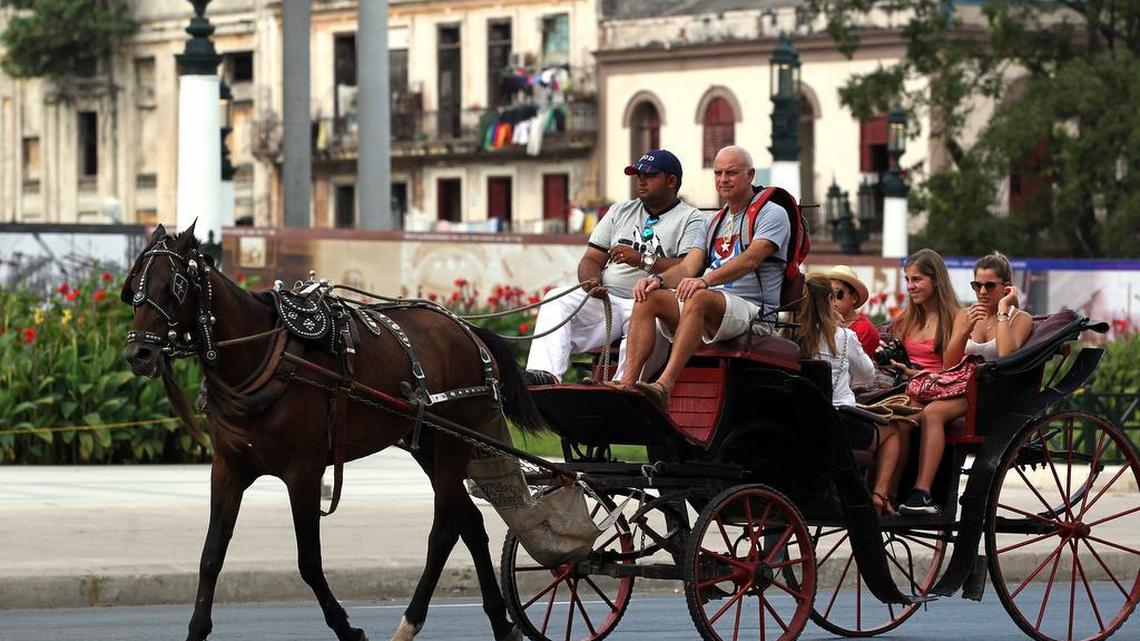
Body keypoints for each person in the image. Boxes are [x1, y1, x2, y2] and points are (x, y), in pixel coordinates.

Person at [620, 145, 791, 409]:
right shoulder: (712, 221)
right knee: (648, 298)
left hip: (753, 312)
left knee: (697, 297)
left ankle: (664, 386)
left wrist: (705, 281)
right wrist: (658, 281)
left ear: (751, 175)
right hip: (713, 304)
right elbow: (688, 267)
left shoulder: (772, 213)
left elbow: (751, 258)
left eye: (732, 173)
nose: (723, 179)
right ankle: (626, 384)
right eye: (719, 173)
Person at [524, 149, 707, 384]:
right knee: (556, 299)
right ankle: (544, 377)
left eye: (650, 176)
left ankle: (620, 387)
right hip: (608, 300)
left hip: (649, 302)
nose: (641, 181)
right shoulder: (620, 210)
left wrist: (641, 260)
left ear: (672, 181)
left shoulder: (691, 218)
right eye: (638, 175)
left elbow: (688, 267)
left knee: (647, 311)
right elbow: (591, 258)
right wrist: (591, 282)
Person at [898, 252, 1033, 515]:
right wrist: (963, 330)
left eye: (989, 286)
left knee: (933, 413)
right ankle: (896, 490)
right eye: (976, 285)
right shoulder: (967, 314)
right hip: (960, 385)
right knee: (907, 412)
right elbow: (949, 363)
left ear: (1006, 288)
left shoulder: (1020, 318)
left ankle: (922, 492)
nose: (982, 292)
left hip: (993, 392)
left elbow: (1006, 357)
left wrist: (1003, 310)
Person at [786, 274, 903, 515]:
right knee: (893, 430)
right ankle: (880, 494)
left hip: (797, 423)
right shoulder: (844, 337)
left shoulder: (789, 336)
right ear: (829, 300)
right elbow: (868, 376)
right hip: (837, 423)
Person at [826, 264, 880, 357]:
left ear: (854, 297)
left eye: (838, 293)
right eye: (828, 294)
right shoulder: (824, 323)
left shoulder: (864, 330)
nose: (832, 299)